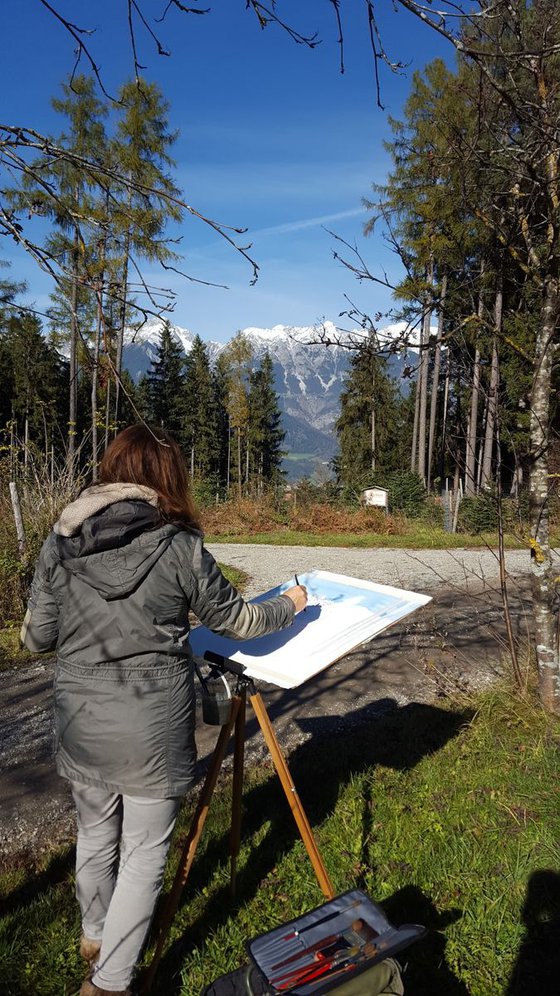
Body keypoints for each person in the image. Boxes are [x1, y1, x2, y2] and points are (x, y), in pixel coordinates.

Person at [21, 424, 307, 996]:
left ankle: (95, 935)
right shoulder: (179, 546)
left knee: (95, 831)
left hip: (79, 716)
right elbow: (241, 623)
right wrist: (292, 603)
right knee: (146, 851)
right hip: (151, 722)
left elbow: (36, 639)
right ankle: (109, 983)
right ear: (167, 478)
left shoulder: (61, 541)